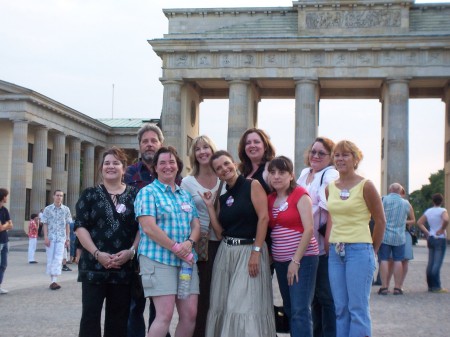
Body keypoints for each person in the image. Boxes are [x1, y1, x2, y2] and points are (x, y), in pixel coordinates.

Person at [200, 150, 276, 337]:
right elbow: (219, 232)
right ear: (217, 174)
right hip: (226, 253)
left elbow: (264, 218)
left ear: (234, 163)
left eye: (226, 164)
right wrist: (210, 207)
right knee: (222, 305)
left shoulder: (253, 185)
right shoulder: (223, 196)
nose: (224, 169)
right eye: (219, 168)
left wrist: (256, 252)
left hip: (250, 250)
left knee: (243, 306)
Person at [134, 146, 200, 337]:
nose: (167, 166)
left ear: (178, 166)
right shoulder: (148, 193)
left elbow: (196, 226)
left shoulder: (184, 195)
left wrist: (189, 243)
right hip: (158, 259)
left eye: (171, 162)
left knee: (190, 314)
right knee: (164, 314)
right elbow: (148, 227)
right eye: (162, 163)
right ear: (155, 168)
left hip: (186, 261)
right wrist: (176, 247)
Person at [75, 147, 140, 337]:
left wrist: (131, 251)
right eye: (107, 163)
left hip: (123, 267)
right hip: (93, 266)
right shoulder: (89, 194)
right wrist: (97, 253)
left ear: (124, 168)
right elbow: (80, 227)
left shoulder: (136, 195)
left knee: (118, 319)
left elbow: (142, 227)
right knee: (90, 317)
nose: (111, 166)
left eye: (116, 163)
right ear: (101, 168)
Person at [325, 140, 385, 337]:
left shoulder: (366, 186)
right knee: (340, 308)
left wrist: (372, 250)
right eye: (337, 155)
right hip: (336, 251)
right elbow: (333, 218)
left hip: (359, 250)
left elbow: (380, 221)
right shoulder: (330, 188)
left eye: (345, 155)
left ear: (356, 158)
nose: (340, 159)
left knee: (357, 309)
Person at [125, 123, 176, 337]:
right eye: (145, 141)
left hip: (162, 249)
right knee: (134, 306)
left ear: (160, 144)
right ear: (139, 146)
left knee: (160, 306)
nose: (149, 145)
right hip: (134, 247)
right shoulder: (129, 173)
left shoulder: (171, 172)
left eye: (153, 140)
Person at [268, 156, 319, 337]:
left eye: (282, 172)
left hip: (302, 260)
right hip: (281, 262)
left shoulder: (300, 194)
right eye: (272, 172)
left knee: (300, 309)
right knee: (289, 307)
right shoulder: (270, 198)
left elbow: (309, 229)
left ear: (291, 175)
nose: (276, 177)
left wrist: (295, 261)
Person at [180, 135, 223, 337]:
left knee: (223, 295)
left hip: (225, 243)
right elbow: (182, 213)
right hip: (202, 245)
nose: (203, 152)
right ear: (193, 154)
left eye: (206, 147)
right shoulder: (187, 183)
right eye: (198, 149)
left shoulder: (225, 176)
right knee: (202, 295)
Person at [297, 137, 339, 337]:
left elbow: (331, 208)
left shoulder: (330, 175)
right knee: (313, 296)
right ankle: (317, 333)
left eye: (321, 153)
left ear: (330, 157)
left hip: (321, 244)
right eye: (313, 151)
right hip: (303, 243)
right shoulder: (305, 172)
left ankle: (329, 333)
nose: (315, 156)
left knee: (326, 295)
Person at [378, 183, 415, 295]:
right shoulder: (406, 203)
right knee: (398, 260)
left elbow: (377, 216)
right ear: (400, 191)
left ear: (390, 190)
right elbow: (413, 220)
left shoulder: (383, 200)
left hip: (385, 235)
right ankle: (398, 287)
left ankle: (384, 286)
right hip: (399, 236)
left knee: (384, 259)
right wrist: (403, 222)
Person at [417, 193, 449, 293]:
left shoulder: (429, 211)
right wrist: (442, 228)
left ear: (433, 201)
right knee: (437, 263)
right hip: (440, 238)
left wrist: (426, 232)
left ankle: (430, 285)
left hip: (431, 237)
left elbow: (419, 222)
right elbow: (446, 219)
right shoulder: (443, 210)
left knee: (430, 263)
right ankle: (436, 286)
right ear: (442, 201)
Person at [42, 189, 72, 290]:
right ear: (53, 196)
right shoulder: (47, 209)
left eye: (61, 196)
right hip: (50, 237)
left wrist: (67, 238)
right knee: (50, 257)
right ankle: (52, 280)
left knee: (58, 258)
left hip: (61, 237)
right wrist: (45, 237)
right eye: (57, 195)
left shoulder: (66, 209)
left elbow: (67, 224)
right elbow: (45, 224)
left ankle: (54, 280)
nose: (59, 197)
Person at [238, 128, 276, 194]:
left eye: (256, 142)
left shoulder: (272, 168)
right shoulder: (242, 173)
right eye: (248, 143)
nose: (252, 145)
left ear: (265, 146)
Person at [0, 188, 13, 294]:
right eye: (6, 196)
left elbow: (11, 225)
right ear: (3, 197)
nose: (7, 198)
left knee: (3, 264)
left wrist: (4, 225)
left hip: (5, 240)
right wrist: (6, 225)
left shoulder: (4, 210)